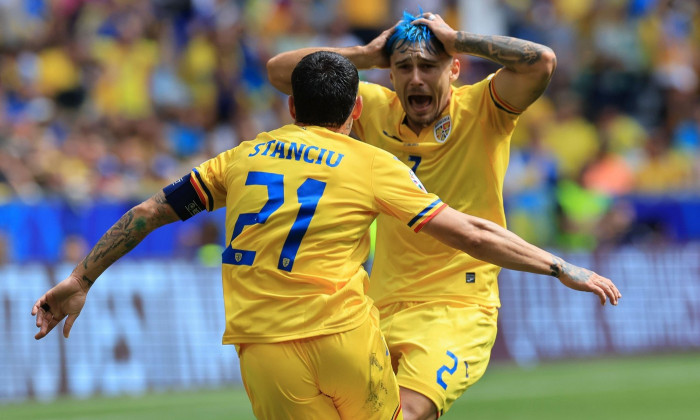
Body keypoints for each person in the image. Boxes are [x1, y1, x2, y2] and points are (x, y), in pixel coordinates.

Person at [33, 52, 619, 420]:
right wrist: (559, 267)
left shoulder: (239, 159)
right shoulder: (371, 164)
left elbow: (150, 211)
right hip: (342, 337)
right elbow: (468, 232)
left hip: (261, 349)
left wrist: (81, 277)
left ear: (290, 104)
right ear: (355, 112)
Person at [267, 11, 571, 419]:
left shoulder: (483, 108)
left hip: (459, 304)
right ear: (389, 74)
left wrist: (458, 37)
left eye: (429, 66)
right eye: (403, 67)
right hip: (380, 305)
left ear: (455, 68)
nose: (416, 79)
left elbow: (541, 61)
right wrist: (365, 54)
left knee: (406, 412)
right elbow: (280, 72)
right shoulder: (372, 110)